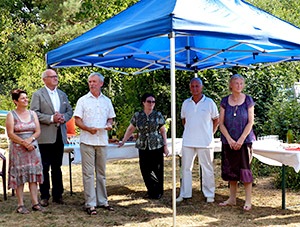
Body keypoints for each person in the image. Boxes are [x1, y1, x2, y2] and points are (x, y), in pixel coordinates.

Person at [74, 72, 116, 215]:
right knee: (88, 174)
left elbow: (111, 118)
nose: (91, 84)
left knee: (101, 173)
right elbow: (77, 120)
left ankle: (103, 201)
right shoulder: (83, 100)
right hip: (87, 140)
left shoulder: (107, 101)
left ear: (101, 84)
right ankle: (90, 203)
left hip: (102, 141)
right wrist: (87, 129)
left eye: (94, 81)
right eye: (90, 81)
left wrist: (109, 125)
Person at [30, 69, 73, 207]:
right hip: (45, 137)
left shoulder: (62, 94)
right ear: (44, 79)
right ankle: (44, 196)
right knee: (44, 167)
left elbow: (69, 111)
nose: (56, 78)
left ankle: (58, 194)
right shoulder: (38, 94)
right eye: (52, 76)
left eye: (56, 76)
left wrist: (62, 118)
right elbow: (34, 113)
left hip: (59, 135)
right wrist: (50, 118)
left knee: (57, 167)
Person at [176, 77, 219, 203]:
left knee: (207, 168)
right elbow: (184, 120)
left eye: (197, 86)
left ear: (202, 87)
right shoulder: (186, 103)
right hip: (188, 141)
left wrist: (210, 133)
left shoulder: (209, 102)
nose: (195, 88)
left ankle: (209, 194)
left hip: (205, 142)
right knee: (185, 168)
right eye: (192, 86)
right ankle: (185, 193)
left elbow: (216, 120)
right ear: (190, 88)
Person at [119, 93, 169, 200]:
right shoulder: (138, 115)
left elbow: (163, 131)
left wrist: (165, 146)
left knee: (157, 169)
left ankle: (158, 191)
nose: (151, 104)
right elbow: (131, 129)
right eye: (149, 101)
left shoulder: (157, 115)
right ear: (143, 102)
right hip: (143, 145)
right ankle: (151, 190)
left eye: (153, 102)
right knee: (145, 169)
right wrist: (123, 140)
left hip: (156, 145)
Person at [218, 74, 256, 211]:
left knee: (245, 170)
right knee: (231, 170)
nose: (239, 86)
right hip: (228, 141)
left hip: (245, 141)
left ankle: (248, 200)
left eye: (241, 83)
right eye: (236, 83)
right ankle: (232, 199)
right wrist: (229, 139)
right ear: (231, 85)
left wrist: (240, 140)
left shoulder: (248, 100)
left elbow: (250, 122)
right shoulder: (224, 101)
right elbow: (221, 124)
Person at [6, 89, 44, 214]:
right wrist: (23, 143)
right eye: (23, 98)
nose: (26, 100)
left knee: (33, 176)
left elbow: (37, 131)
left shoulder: (33, 114)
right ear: (15, 101)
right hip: (18, 150)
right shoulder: (11, 115)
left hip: (32, 148)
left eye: (26, 97)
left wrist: (29, 140)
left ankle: (35, 203)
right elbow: (10, 133)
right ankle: (20, 204)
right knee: (20, 177)